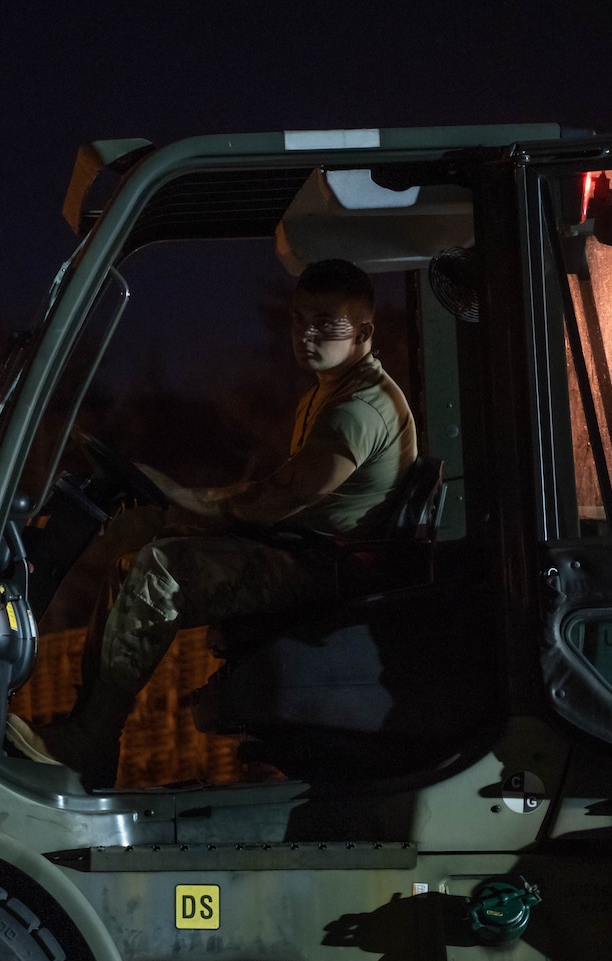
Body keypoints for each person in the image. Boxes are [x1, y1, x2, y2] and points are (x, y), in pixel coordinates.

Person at [41, 258, 417, 786]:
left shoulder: (357, 408)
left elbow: (276, 501)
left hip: (326, 569)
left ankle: (92, 739)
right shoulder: (326, 394)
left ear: (364, 332)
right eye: (297, 319)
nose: (305, 334)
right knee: (137, 564)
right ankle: (91, 736)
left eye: (325, 322)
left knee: (160, 570)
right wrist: (179, 514)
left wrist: (179, 495)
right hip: (305, 550)